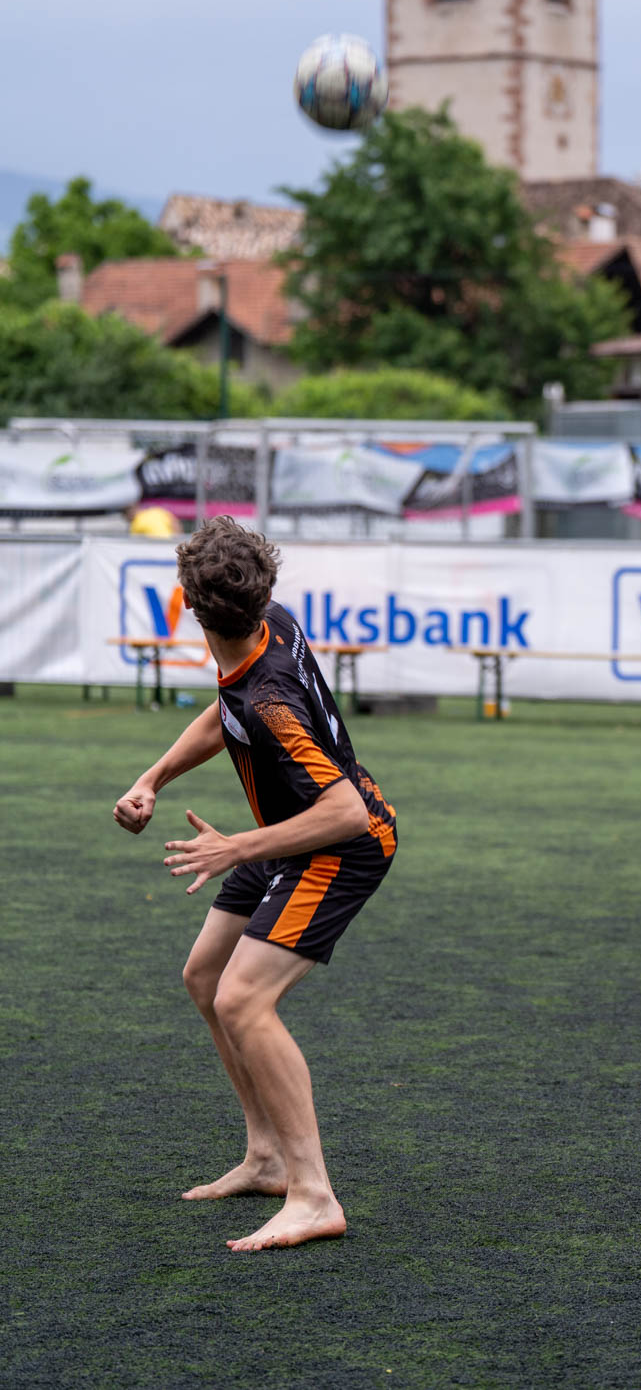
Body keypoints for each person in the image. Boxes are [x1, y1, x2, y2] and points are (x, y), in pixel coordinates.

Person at [113, 516, 397, 1252]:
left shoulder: (270, 699)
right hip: (289, 835)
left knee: (243, 999)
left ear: (188, 606)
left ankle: (314, 1195)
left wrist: (236, 846)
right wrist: (153, 777)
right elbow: (228, 714)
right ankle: (266, 1157)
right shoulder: (269, 625)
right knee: (207, 978)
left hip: (340, 845)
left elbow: (346, 812)